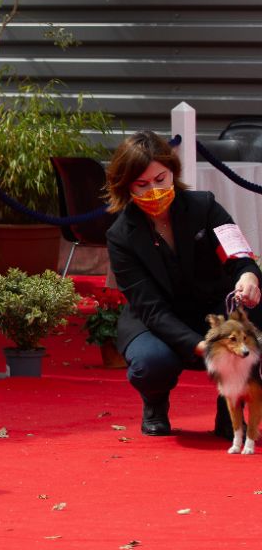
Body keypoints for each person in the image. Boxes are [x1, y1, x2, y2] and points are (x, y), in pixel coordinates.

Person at [105, 130, 262, 437]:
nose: (154, 190)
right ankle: (154, 401)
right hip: (154, 323)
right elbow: (152, 310)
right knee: (151, 364)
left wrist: (248, 275)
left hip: (211, 310)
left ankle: (229, 409)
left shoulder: (204, 207)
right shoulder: (120, 236)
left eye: (161, 179)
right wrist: (202, 346)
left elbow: (238, 256)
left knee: (254, 317)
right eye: (142, 184)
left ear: (173, 174)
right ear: (126, 187)